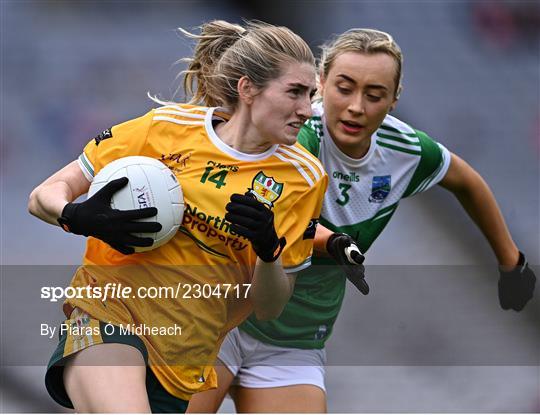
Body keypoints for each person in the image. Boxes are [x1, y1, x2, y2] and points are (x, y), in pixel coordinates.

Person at [187, 28, 537, 413]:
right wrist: (333, 242)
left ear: (394, 99)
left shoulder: (405, 149)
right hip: (225, 317)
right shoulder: (295, 137)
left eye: (374, 95)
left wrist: (511, 261)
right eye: (344, 88)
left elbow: (467, 181)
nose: (357, 106)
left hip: (294, 340)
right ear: (320, 84)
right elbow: (284, 222)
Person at [28, 20, 327, 413]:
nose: (307, 109)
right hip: (107, 315)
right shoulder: (164, 128)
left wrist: (269, 252)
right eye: (294, 93)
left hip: (184, 358)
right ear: (248, 88)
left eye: (310, 94)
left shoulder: (304, 179)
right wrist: (80, 216)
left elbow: (270, 306)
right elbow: (42, 196)